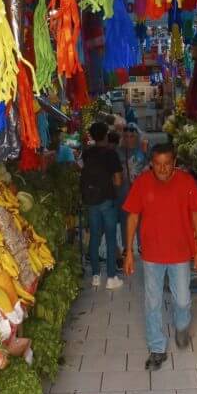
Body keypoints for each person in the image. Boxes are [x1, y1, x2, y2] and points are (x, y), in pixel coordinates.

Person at [123, 143, 197, 371]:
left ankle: (181, 326)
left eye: (167, 164)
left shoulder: (186, 182)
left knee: (182, 300)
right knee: (152, 302)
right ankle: (157, 348)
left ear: (174, 163)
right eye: (158, 165)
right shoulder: (142, 183)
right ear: (152, 164)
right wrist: (128, 251)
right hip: (152, 255)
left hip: (180, 253)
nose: (162, 169)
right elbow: (132, 218)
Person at [80, 122, 124, 289]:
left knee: (95, 237)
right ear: (106, 135)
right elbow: (118, 180)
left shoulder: (87, 153)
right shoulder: (111, 154)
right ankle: (111, 277)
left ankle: (96, 276)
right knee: (111, 237)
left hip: (91, 200)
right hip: (107, 199)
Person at [116, 123, 149, 260]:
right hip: (123, 192)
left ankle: (142, 245)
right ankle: (126, 246)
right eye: (127, 136)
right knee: (125, 220)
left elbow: (150, 164)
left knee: (141, 219)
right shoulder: (119, 151)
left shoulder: (143, 149)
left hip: (141, 191)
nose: (129, 139)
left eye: (132, 136)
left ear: (137, 137)